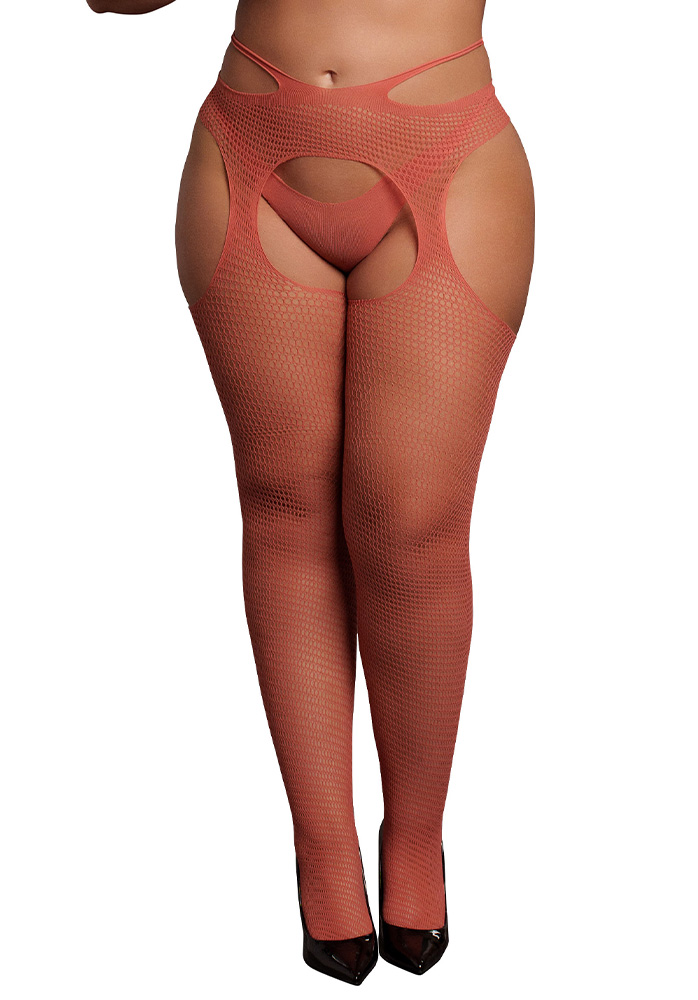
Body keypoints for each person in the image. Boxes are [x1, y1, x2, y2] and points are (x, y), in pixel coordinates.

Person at [88, 0, 535, 984]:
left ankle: (415, 835)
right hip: (250, 144)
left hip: (441, 148)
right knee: (284, 505)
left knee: (412, 523)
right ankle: (322, 849)